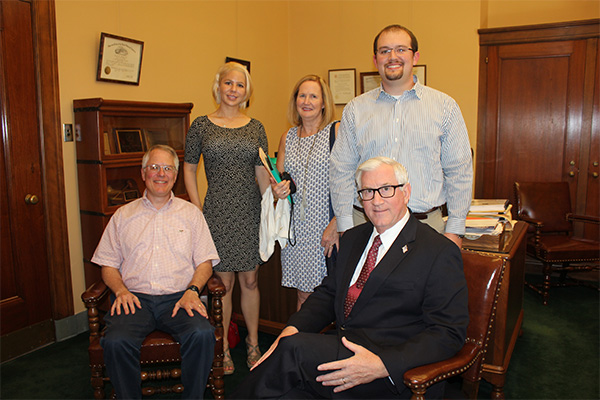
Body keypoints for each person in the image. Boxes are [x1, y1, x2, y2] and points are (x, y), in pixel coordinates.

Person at [231, 157, 469, 399]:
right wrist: (292, 328)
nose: (376, 201)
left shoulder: (438, 251)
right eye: (367, 192)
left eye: (386, 189)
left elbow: (448, 333)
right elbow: (328, 295)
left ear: (406, 192)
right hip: (341, 352)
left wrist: (382, 365)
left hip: (389, 373)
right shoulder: (354, 238)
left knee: (293, 351)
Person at [92, 145, 220, 399]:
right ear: (143, 173)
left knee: (202, 333)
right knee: (116, 342)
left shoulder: (192, 214)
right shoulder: (122, 216)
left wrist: (193, 291)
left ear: (174, 175)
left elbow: (205, 262)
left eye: (167, 168)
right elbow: (108, 264)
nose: (161, 174)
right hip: (135, 299)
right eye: (154, 167)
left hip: (179, 298)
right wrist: (120, 291)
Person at [330, 24, 473, 248]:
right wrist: (346, 227)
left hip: (425, 227)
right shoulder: (355, 109)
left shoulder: (445, 107)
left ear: (415, 56)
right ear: (375, 59)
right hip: (365, 226)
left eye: (400, 49)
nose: (392, 57)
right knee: (362, 285)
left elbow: (459, 171)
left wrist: (455, 230)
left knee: (423, 284)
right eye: (384, 51)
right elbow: (341, 170)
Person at [183, 62, 271, 375]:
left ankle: (252, 342)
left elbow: (262, 172)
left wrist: (270, 208)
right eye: (228, 83)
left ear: (247, 91)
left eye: (240, 85)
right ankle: (222, 346)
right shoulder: (201, 125)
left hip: (250, 211)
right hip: (216, 212)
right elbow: (189, 168)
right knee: (226, 283)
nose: (234, 90)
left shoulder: (256, 126)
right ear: (218, 86)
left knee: (251, 279)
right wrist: (196, 208)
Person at [271, 75, 339, 310]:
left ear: (323, 102)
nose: (307, 101)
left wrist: (336, 222)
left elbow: (351, 181)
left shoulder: (336, 132)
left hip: (326, 226)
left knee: (330, 298)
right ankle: (301, 346)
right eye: (302, 95)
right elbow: (278, 182)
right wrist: (278, 191)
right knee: (303, 296)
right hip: (297, 231)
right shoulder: (287, 137)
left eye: (313, 96)